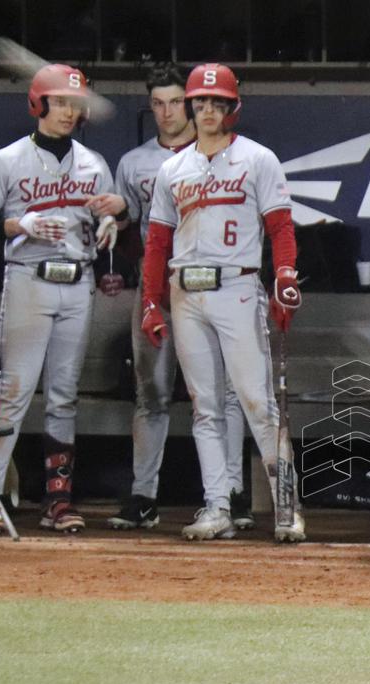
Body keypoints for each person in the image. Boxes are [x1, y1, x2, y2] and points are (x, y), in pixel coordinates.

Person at [140, 62, 304, 542]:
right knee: (205, 406)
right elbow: (156, 242)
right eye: (201, 102)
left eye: (217, 102)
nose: (208, 110)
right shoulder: (173, 168)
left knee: (257, 402)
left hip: (236, 285)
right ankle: (217, 506)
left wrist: (285, 276)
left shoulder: (257, 159)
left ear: (233, 107)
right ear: (191, 107)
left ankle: (287, 507)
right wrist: (152, 301)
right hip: (185, 291)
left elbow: (280, 227)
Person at [0, 64, 127, 534]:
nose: (67, 112)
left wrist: (109, 226)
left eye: (74, 104)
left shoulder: (92, 162)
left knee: (64, 395)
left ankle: (57, 500)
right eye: (59, 101)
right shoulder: (8, 159)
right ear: (39, 103)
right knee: (15, 392)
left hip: (77, 281)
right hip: (28, 279)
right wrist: (17, 225)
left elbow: (106, 218)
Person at [107, 63, 252, 532]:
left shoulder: (226, 154)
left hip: (213, 285)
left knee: (224, 395)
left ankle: (232, 492)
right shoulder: (135, 163)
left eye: (175, 101)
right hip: (162, 286)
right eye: (158, 103)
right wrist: (120, 225)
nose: (168, 112)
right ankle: (143, 494)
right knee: (151, 393)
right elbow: (138, 238)